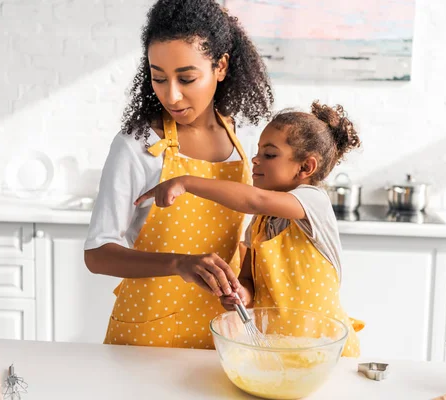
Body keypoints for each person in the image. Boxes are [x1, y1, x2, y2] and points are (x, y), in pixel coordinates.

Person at [84, 0, 273, 350]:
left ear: (220, 66)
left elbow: (250, 236)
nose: (170, 94)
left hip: (224, 329)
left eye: (187, 78)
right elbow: (97, 253)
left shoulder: (245, 137)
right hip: (147, 332)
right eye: (159, 77)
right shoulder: (138, 144)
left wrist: (244, 287)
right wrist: (178, 263)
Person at [135, 101, 364, 356]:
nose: (255, 159)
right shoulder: (260, 223)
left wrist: (186, 182)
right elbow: (248, 281)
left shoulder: (313, 202)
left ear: (305, 167)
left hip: (327, 353)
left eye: (269, 154)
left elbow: (254, 199)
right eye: (258, 152)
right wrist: (241, 295)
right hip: (278, 352)